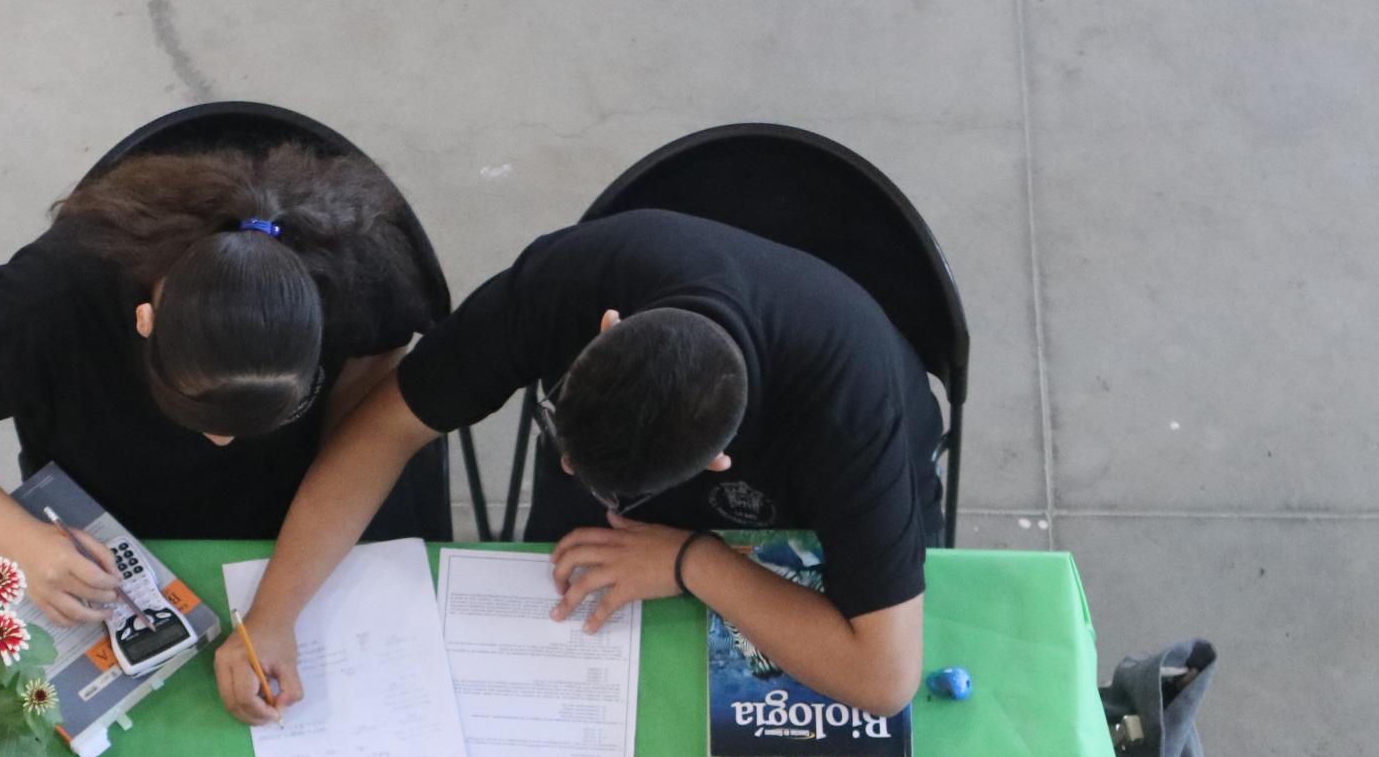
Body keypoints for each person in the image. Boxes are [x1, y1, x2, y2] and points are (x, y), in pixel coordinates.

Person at [222, 208, 939, 720]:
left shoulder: (852, 412)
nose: (566, 472)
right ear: (605, 330)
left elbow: (883, 677)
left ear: (720, 459)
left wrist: (693, 561)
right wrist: (273, 613)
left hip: (786, 527)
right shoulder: (573, 278)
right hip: (631, 522)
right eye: (562, 442)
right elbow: (387, 428)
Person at [0, 142, 448, 628]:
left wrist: (285, 595)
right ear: (144, 323)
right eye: (194, 410)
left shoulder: (359, 274)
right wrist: (23, 542)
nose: (222, 443)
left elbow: (370, 403)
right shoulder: (53, 297)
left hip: (289, 513)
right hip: (103, 516)